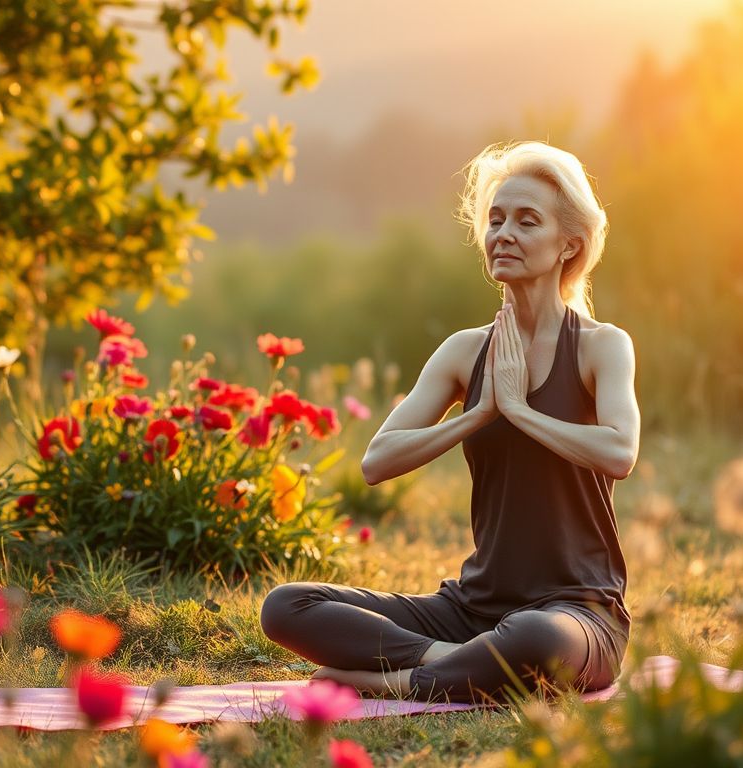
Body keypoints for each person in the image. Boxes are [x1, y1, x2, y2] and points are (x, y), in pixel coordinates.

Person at [259, 140, 640, 704]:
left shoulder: (601, 347)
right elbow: (376, 461)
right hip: (473, 609)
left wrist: (521, 412)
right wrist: (480, 413)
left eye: (527, 221)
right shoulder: (466, 352)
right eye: (495, 219)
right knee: (287, 606)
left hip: (578, 614)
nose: (503, 233)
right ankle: (459, 664)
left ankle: (399, 678)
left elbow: (619, 453)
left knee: (532, 638)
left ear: (570, 244)